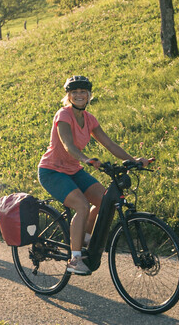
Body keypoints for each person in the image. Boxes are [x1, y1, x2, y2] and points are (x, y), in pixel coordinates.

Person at [37, 75, 152, 275]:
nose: (79, 95)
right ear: (68, 96)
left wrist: (133, 160)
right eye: (74, 92)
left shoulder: (90, 119)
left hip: (73, 170)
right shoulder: (63, 115)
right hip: (52, 171)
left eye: (83, 92)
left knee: (105, 200)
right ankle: (74, 260)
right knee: (82, 205)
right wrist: (85, 159)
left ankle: (84, 238)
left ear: (89, 95)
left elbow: (109, 144)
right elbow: (68, 145)